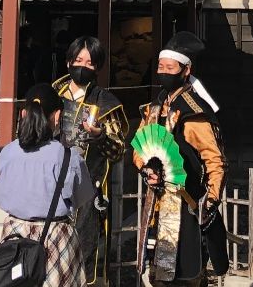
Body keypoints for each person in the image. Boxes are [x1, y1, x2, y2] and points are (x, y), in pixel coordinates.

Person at [132, 32, 227, 287]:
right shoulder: (155, 106)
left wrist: (211, 201)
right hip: (157, 201)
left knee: (187, 272)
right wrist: (147, 168)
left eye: (170, 68)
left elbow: (214, 160)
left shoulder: (194, 112)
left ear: (186, 71)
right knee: (158, 271)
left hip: (188, 200)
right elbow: (140, 148)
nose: (164, 72)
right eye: (160, 67)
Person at [0, 83, 93, 287]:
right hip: (56, 237)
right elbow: (82, 197)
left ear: (22, 114)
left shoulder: (8, 153)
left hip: (14, 235)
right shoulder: (68, 157)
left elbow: (0, 193)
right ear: (57, 117)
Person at [52, 37, 129, 285]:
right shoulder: (52, 96)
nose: (82, 66)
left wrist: (100, 135)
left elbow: (118, 150)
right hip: (50, 183)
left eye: (89, 62)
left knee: (85, 250)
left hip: (87, 188)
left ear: (97, 67)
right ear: (68, 62)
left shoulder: (105, 103)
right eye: (78, 60)